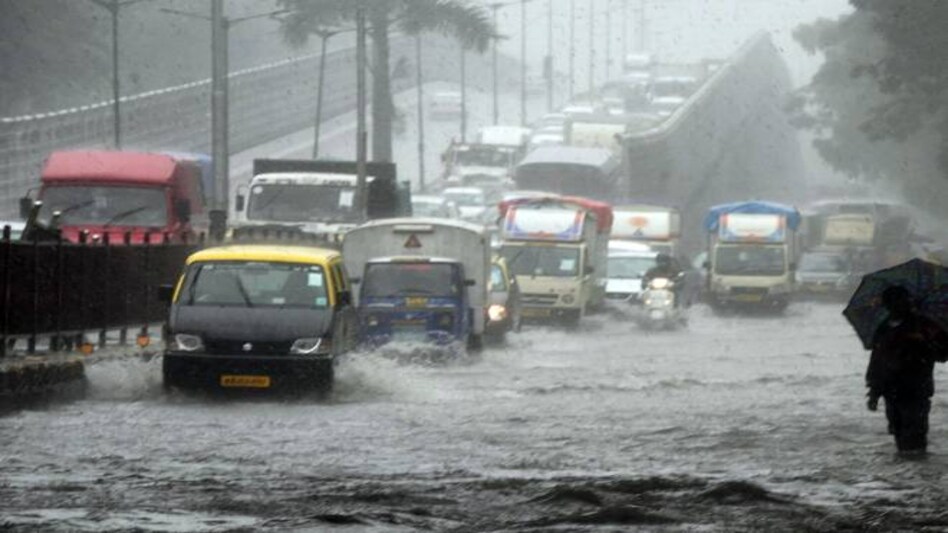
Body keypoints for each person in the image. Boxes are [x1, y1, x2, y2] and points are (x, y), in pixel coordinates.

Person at [866, 286, 948, 455]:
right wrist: (874, 393)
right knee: (898, 432)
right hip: (891, 391)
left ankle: (916, 465)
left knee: (915, 434)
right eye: (893, 302)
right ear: (887, 305)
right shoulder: (883, 329)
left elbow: (943, 353)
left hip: (917, 389)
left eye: (903, 301)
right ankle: (907, 467)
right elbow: (876, 362)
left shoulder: (924, 326)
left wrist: (923, 343)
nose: (900, 305)